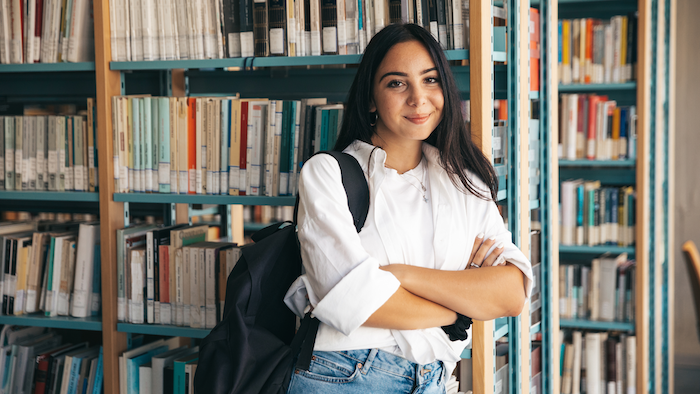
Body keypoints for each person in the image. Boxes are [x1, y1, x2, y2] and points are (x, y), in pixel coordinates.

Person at [284, 23, 533, 393]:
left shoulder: (465, 180)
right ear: (371, 98)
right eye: (396, 83)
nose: (418, 98)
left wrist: (401, 276)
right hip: (343, 376)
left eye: (430, 80)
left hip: (434, 379)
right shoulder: (328, 173)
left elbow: (511, 293)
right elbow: (353, 301)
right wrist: (461, 307)